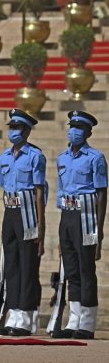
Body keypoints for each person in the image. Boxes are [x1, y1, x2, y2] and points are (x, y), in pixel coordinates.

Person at [52, 111, 107, 339]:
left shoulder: (95, 158)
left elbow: (102, 194)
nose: (74, 131)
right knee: (71, 270)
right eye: (71, 127)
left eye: (79, 129)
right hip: (67, 215)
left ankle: (87, 321)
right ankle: (73, 320)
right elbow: (60, 190)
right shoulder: (62, 158)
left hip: (86, 216)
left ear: (88, 133)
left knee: (86, 270)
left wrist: (99, 230)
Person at [0, 109, 46, 336]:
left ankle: (26, 315)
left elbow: (38, 193)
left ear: (26, 131)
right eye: (11, 128)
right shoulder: (4, 157)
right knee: (12, 265)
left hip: (28, 212)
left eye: (17, 128)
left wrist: (40, 228)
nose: (13, 132)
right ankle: (13, 311)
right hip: (11, 211)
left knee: (27, 265)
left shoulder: (35, 156)